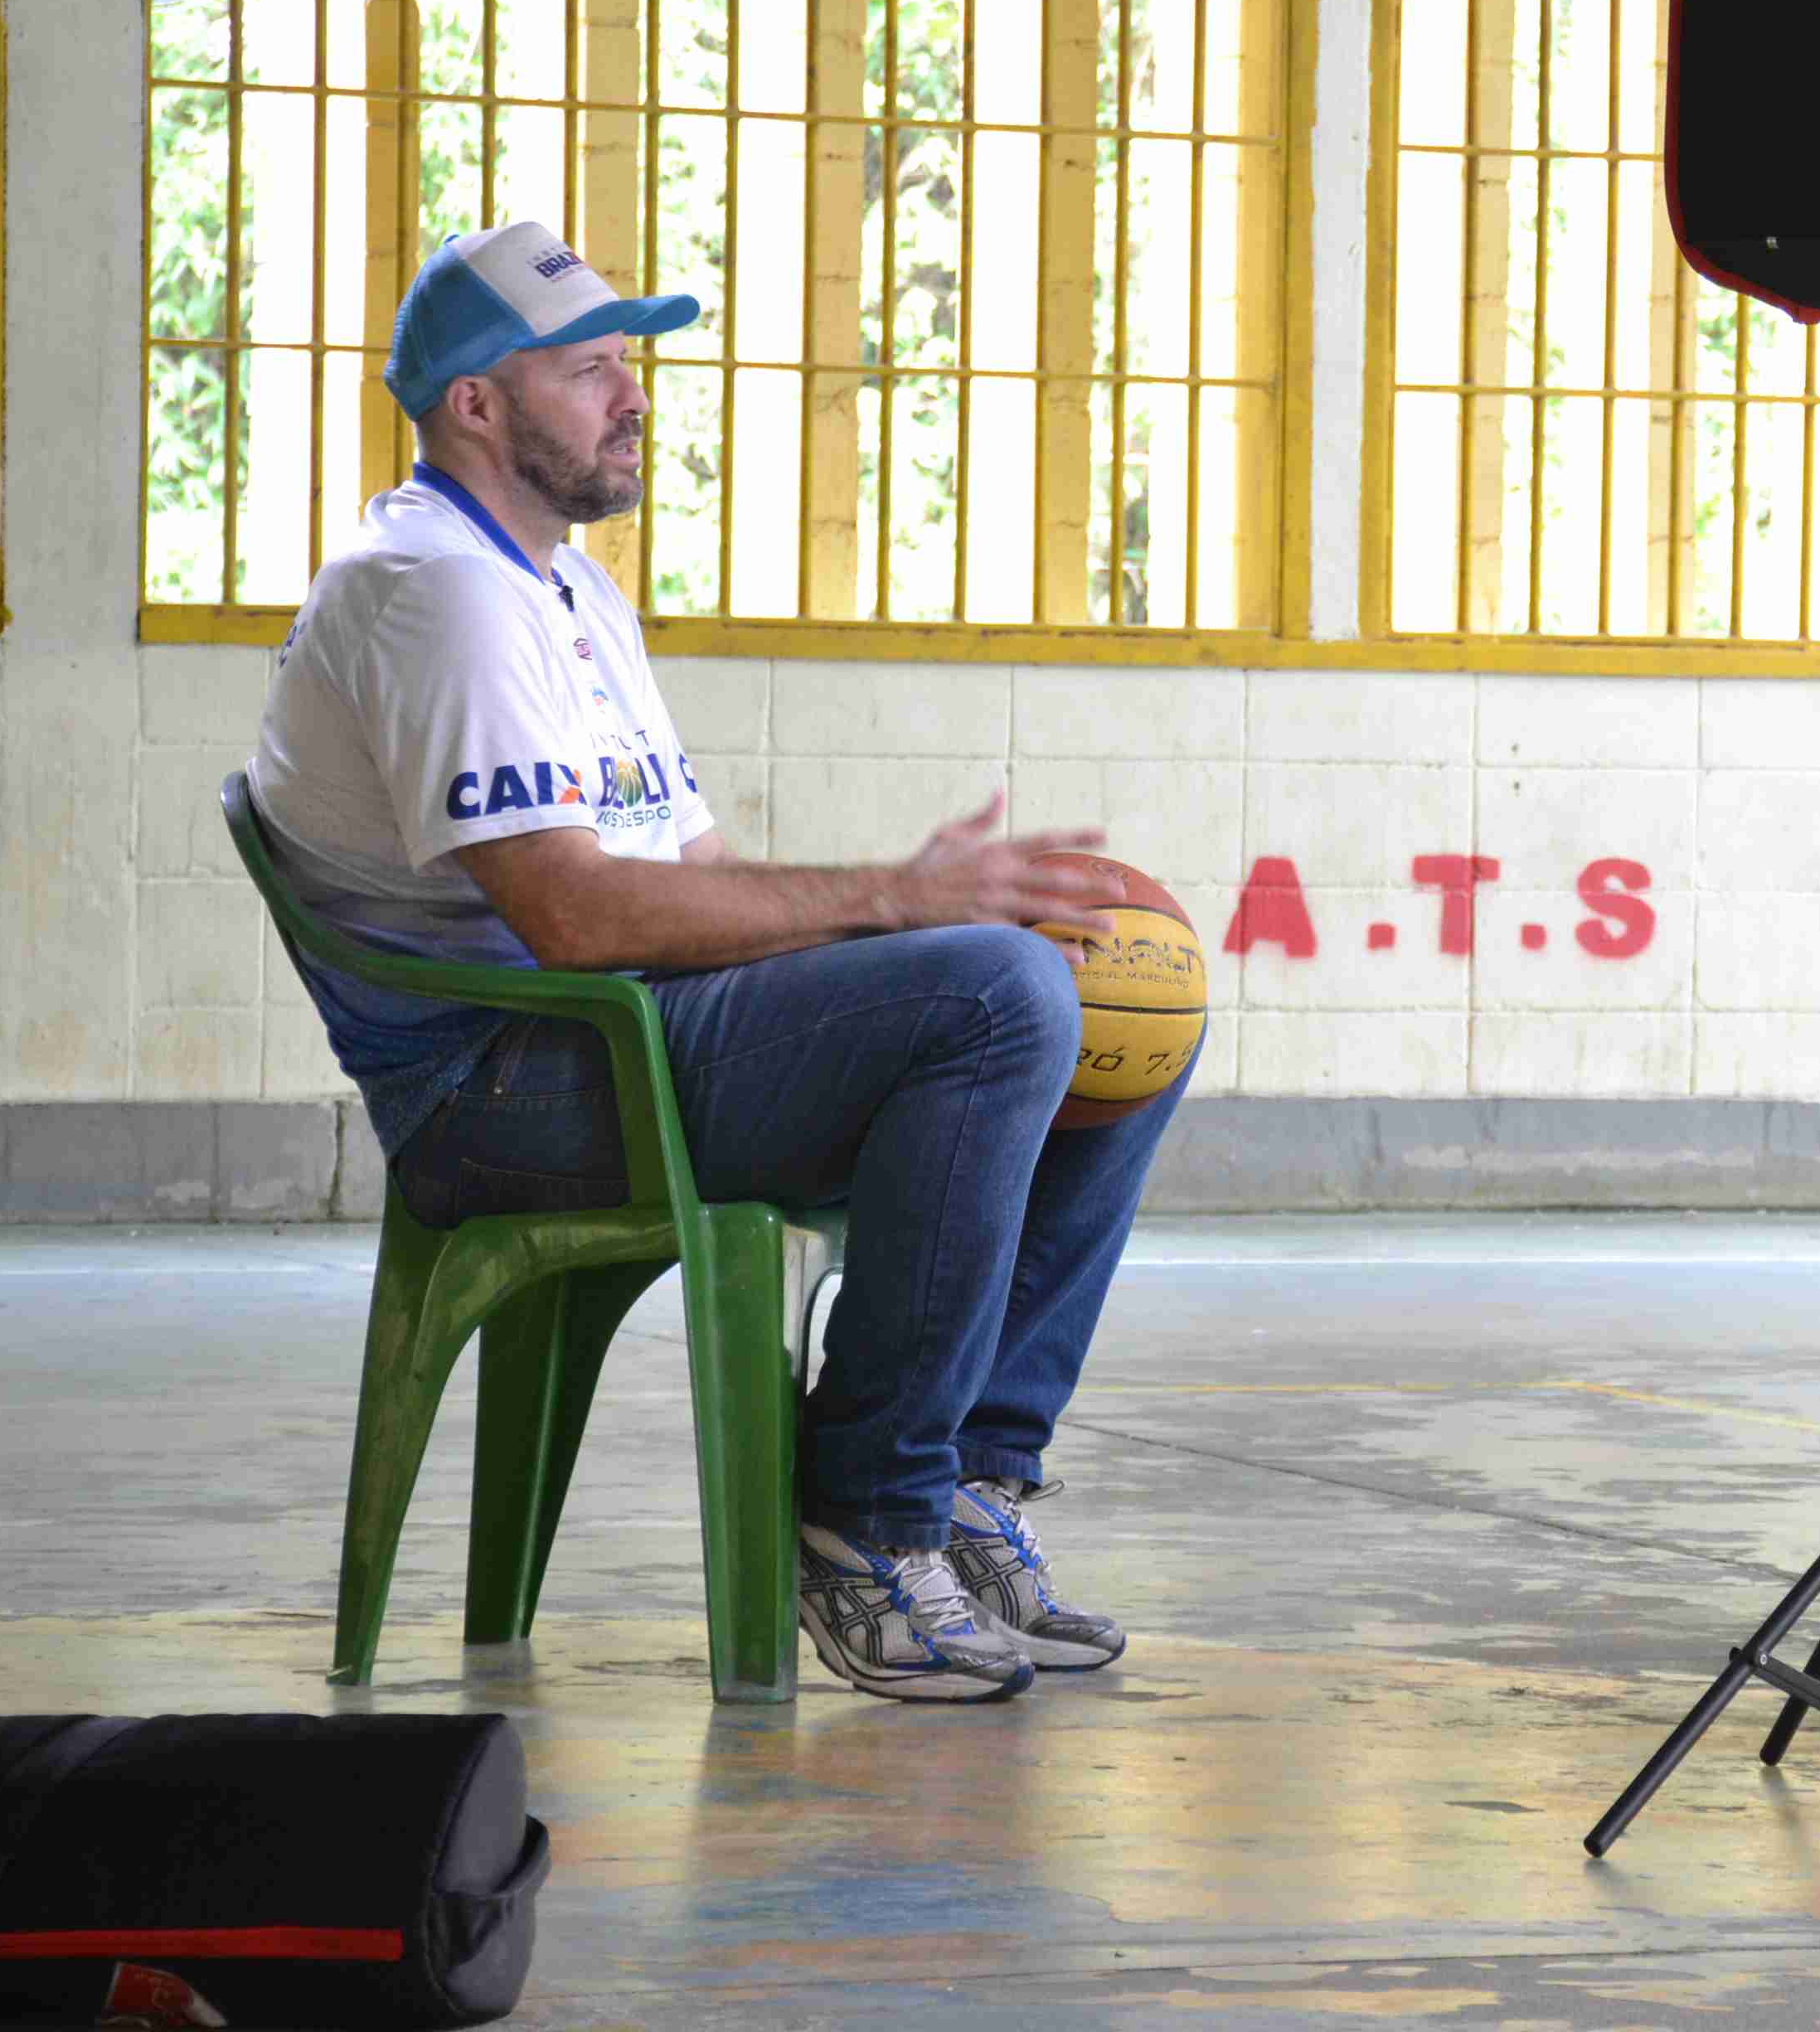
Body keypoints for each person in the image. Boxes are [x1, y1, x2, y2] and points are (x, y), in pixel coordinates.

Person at [249, 221, 1185, 1704]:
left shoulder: (564, 590)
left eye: (632, 367)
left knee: (1120, 975)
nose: (633, 400)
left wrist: (932, 908)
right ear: (476, 404)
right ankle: (859, 1514)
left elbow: (681, 881)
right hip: (505, 1091)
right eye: (590, 371)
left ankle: (965, 1484)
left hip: (620, 1034)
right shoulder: (434, 591)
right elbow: (574, 916)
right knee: (1003, 994)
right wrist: (897, 904)